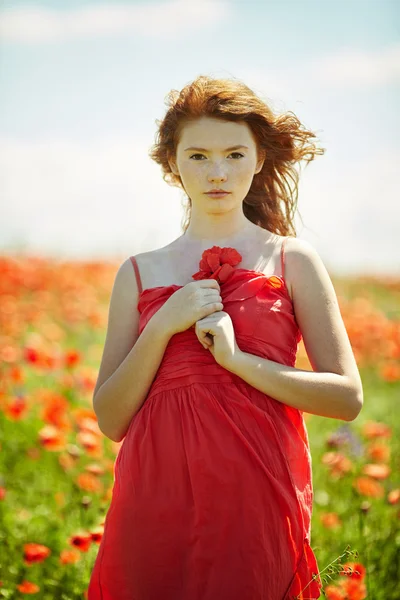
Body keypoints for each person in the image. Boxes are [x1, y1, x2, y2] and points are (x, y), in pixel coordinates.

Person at [88, 75, 363, 600]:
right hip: (153, 492)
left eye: (235, 154)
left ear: (259, 159)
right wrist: (165, 323)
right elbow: (110, 418)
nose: (217, 172)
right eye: (197, 156)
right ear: (173, 165)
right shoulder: (139, 273)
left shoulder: (291, 259)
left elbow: (348, 398)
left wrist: (238, 362)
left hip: (256, 489)